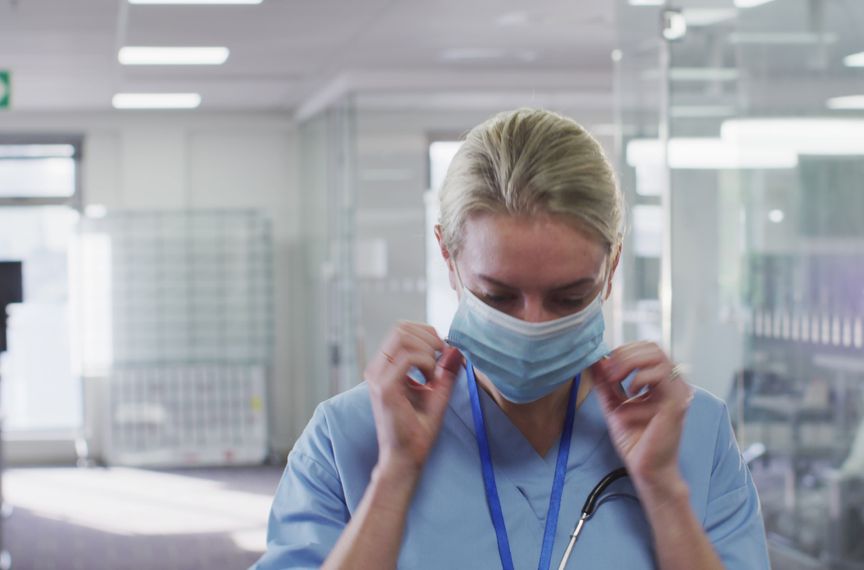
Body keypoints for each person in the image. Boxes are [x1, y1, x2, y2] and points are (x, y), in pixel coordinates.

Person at [254, 108, 769, 569]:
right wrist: (393, 480)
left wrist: (664, 494)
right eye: (498, 297)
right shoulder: (348, 437)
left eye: (569, 298)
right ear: (448, 258)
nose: (534, 323)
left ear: (611, 267)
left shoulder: (693, 432)